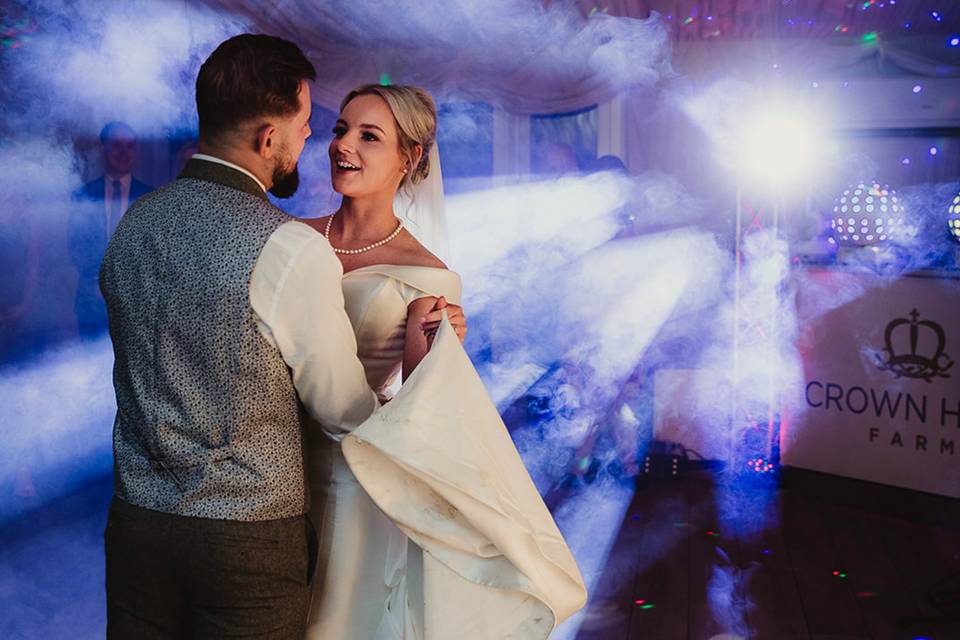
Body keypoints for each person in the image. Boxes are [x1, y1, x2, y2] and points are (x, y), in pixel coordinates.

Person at [99, 35, 466, 639]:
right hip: (247, 537)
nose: (322, 142)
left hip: (138, 523)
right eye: (310, 125)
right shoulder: (287, 245)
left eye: (363, 134)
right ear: (269, 139)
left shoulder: (135, 223)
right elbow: (342, 408)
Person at [303, 84, 587, 639]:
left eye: (369, 136)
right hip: (271, 463)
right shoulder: (293, 238)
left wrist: (426, 348)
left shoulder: (428, 275)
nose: (344, 146)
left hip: (355, 476)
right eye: (340, 129)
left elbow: (423, 409)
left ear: (409, 159)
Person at [69, 121, 152, 339]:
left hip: (136, 305)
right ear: (103, 148)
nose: (123, 152)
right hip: (91, 303)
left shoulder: (150, 198)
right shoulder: (82, 195)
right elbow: (76, 249)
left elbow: (152, 252)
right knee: (92, 370)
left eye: (129, 146)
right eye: (116, 145)